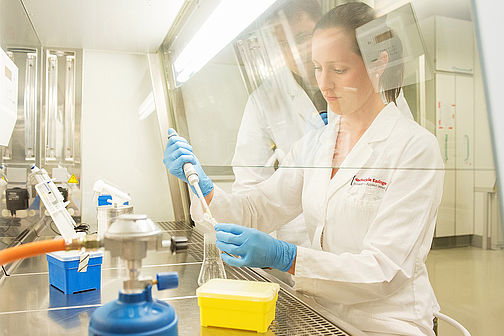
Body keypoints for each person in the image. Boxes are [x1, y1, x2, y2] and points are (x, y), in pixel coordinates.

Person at [164, 3, 443, 335]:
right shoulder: (316, 145)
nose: (324, 84)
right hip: (319, 313)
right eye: (317, 68)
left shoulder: (415, 148)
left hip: (386, 322)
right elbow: (258, 208)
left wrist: (288, 257)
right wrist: (204, 186)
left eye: (338, 69)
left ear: (378, 63)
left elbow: (384, 271)